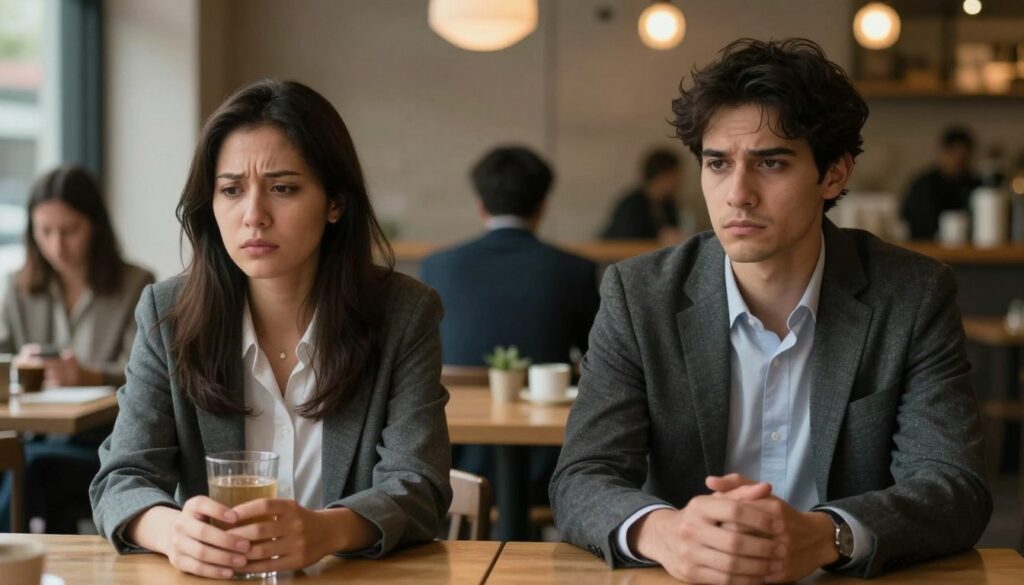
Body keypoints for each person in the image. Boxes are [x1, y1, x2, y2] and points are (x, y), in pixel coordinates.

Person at [550, 38, 991, 583]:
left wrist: (828, 534)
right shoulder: (640, 295)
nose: (738, 194)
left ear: (833, 174)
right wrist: (666, 532)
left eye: (771, 163)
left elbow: (954, 486)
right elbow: (581, 477)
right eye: (717, 163)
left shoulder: (912, 294)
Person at [89, 79, 451, 579]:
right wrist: (171, 532)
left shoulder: (403, 314)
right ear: (210, 205)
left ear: (335, 203)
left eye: (283, 188)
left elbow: (420, 485)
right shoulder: (167, 313)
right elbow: (122, 477)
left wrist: (327, 531)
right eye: (232, 190)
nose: (254, 216)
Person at [421, 146, 598, 513]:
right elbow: (595, 361)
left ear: (480, 205)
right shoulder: (574, 269)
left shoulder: (437, 268)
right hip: (550, 464)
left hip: (452, 463)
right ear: (542, 205)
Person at [0, 164, 154, 533]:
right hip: (35, 434)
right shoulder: (18, 288)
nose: (56, 245)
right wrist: (15, 366)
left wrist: (89, 374)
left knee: (30, 466)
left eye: (69, 231)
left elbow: (148, 375)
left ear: (95, 227)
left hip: (103, 442)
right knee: (21, 459)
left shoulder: (136, 284)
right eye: (45, 231)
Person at [900, 126, 980, 240]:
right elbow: (915, 222)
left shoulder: (976, 186)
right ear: (942, 153)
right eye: (953, 155)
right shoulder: (923, 186)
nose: (957, 163)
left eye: (963, 158)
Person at [601, 148, 684, 243]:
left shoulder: (668, 205)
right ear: (663, 175)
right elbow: (627, 238)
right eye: (675, 175)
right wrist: (659, 237)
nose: (679, 181)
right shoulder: (632, 203)